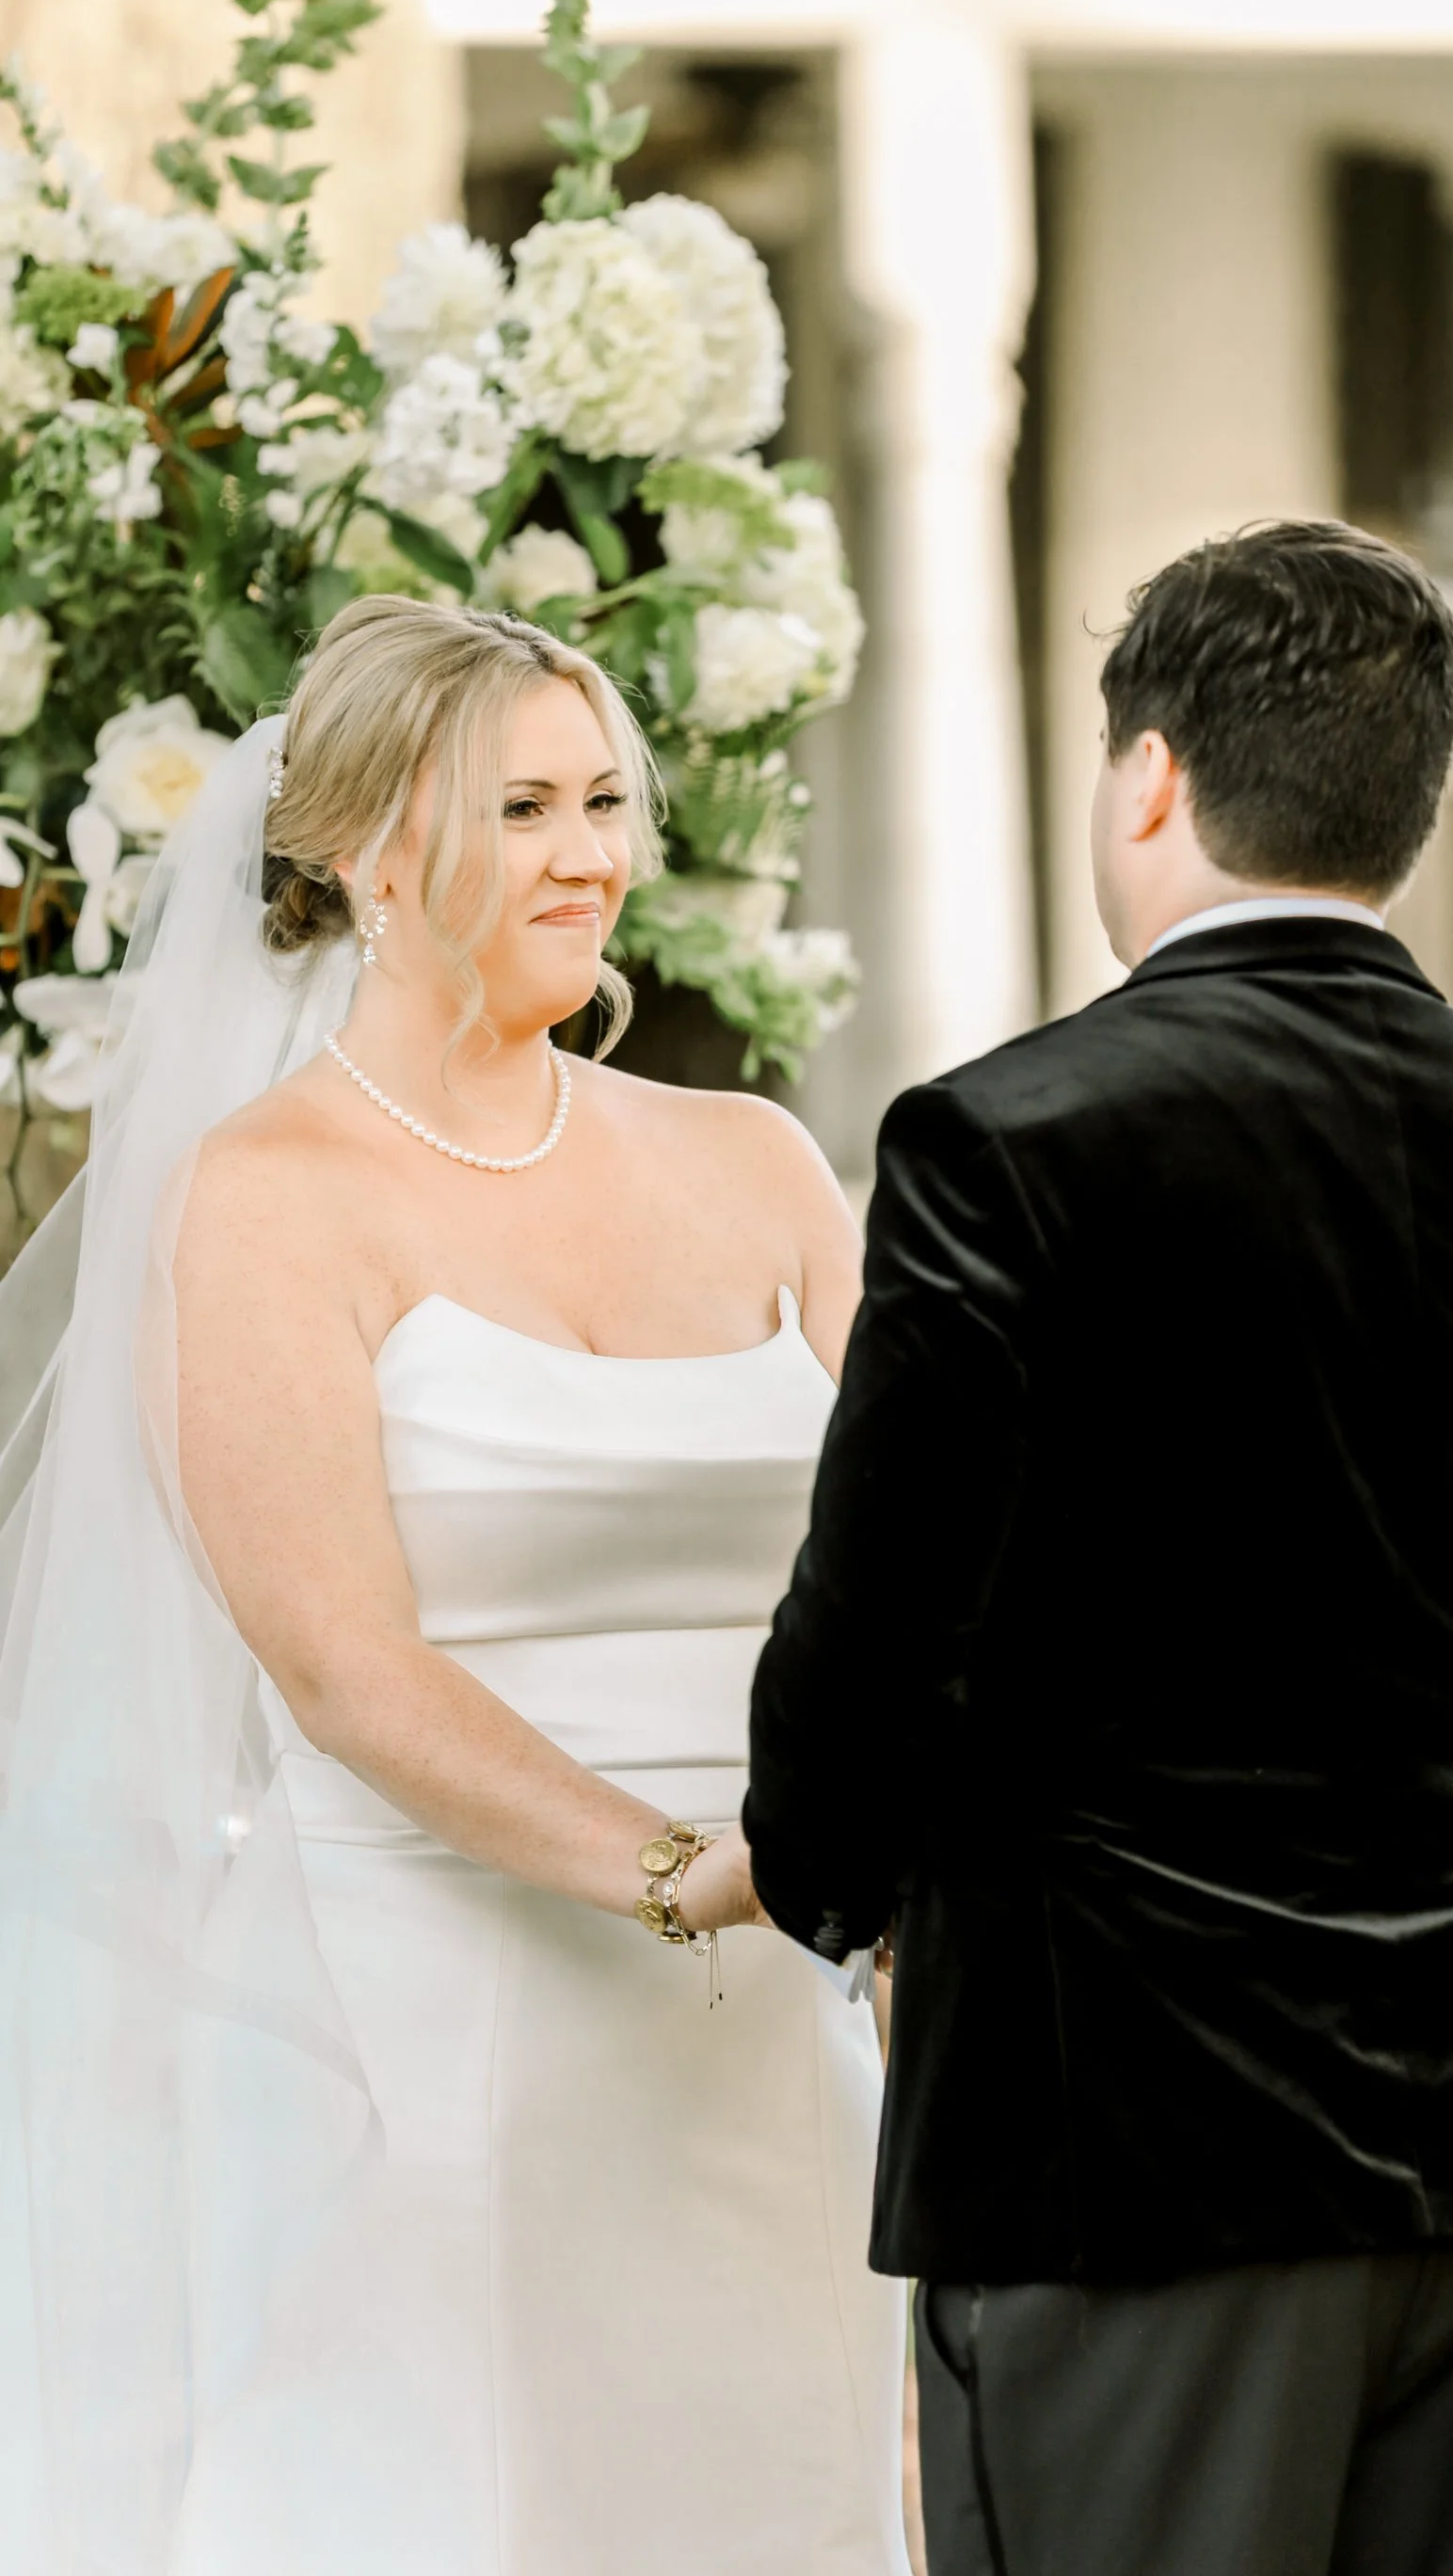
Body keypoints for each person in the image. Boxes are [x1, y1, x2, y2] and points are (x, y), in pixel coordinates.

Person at [742, 519, 1453, 2576]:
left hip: (1120, 2142)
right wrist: (1409, 1843)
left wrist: (836, 1891)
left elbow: (873, 1650)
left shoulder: (1006, 1144)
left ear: (1146, 778)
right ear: (1413, 808)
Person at [0, 597, 908, 2576]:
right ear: (361, 853)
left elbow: (924, 1557)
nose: (589, 850)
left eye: (603, 796)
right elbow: (341, 1666)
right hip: (417, 2023)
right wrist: (682, 1869)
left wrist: (871, 1879)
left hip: (776, 2022)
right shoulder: (262, 1197)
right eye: (520, 806)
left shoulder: (757, 1161)